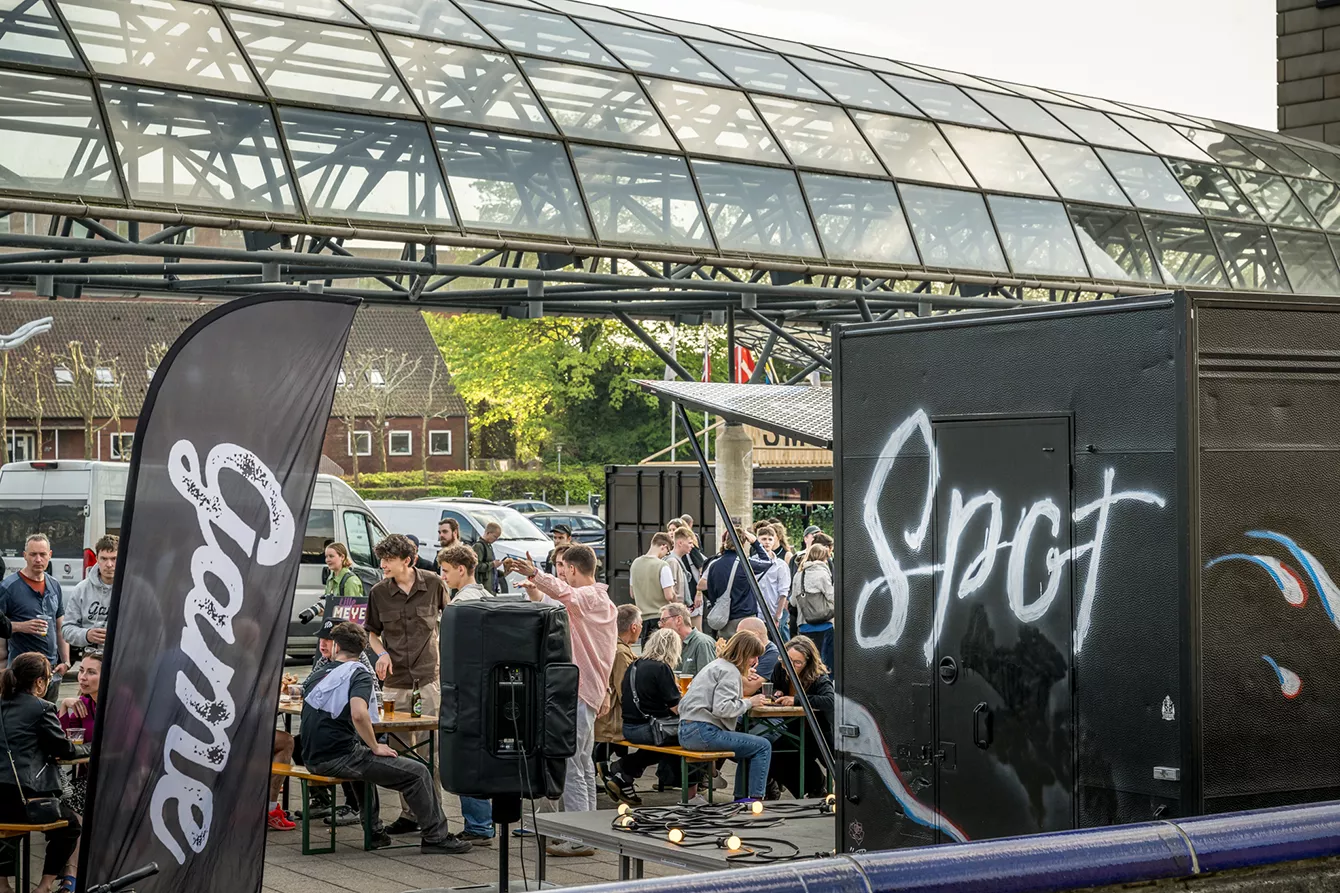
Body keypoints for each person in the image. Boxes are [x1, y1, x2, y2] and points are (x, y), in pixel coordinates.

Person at [301, 622, 470, 855]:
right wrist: (375, 746)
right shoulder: (358, 672)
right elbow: (359, 713)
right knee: (418, 772)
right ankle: (436, 837)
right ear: (363, 649)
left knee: (363, 767)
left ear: (336, 646)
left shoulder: (319, 672)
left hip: (312, 757)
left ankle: (375, 833)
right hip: (338, 756)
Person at [506, 545, 616, 858]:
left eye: (563, 568)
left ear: (572, 568)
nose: (561, 573)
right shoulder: (600, 600)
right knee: (581, 762)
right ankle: (589, 833)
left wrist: (534, 574)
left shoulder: (590, 597)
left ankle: (580, 837)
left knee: (572, 763)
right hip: (587, 691)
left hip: (579, 691)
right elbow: (558, 604)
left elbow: (567, 596)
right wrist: (535, 587)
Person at [367, 534, 450, 836]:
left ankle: (435, 816)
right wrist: (382, 654)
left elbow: (450, 620)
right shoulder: (378, 592)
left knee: (432, 753)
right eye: (382, 559)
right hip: (395, 682)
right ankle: (409, 813)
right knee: (400, 753)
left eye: (389, 559)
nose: (383, 564)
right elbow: (371, 633)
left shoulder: (434, 584)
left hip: (428, 679)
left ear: (408, 560)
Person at [0, 653, 87, 893]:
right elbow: (64, 749)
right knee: (70, 826)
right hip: (22, 802)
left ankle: (3, 884)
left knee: (8, 829)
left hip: (2, 802)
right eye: (48, 678)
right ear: (39, 682)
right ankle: (44, 886)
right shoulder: (41, 708)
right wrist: (91, 747)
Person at [604, 628, 705, 805]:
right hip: (649, 728)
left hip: (629, 727)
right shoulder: (661, 668)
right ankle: (693, 792)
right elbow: (677, 708)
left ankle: (624, 772)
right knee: (693, 737)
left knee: (662, 746)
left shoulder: (635, 665)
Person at [438, 544, 495, 846]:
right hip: (486, 689)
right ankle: (483, 823)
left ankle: (478, 825)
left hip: (466, 689)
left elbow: (453, 651)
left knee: (466, 757)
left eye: (446, 571)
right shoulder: (487, 596)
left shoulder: (462, 604)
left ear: (462, 569)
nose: (443, 576)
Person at [678, 632, 771, 801]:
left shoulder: (716, 665)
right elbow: (722, 709)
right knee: (763, 746)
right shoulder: (729, 671)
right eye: (753, 656)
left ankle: (741, 799)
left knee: (749, 747)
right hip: (704, 732)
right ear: (744, 654)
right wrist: (750, 702)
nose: (756, 661)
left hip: (686, 731)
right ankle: (754, 800)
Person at [0, 535, 68, 704]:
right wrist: (22, 626)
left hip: (51, 672)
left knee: (48, 715)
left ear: (50, 555)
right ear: (24, 555)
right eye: (33, 554)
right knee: (23, 717)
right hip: (22, 673)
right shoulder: (8, 587)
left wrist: (66, 661)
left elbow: (60, 626)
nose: (38, 559)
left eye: (42, 554)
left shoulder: (54, 585)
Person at [765, 637, 835, 800]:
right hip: (793, 727)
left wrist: (797, 700)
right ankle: (806, 790)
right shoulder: (780, 668)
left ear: (807, 663)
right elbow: (773, 685)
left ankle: (818, 787)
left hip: (817, 732)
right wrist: (776, 692)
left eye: (797, 663)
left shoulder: (818, 677)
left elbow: (830, 701)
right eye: (787, 660)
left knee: (794, 752)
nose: (790, 666)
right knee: (772, 751)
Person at [594, 604, 640, 793]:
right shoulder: (621, 653)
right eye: (641, 624)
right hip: (613, 719)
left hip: (604, 716)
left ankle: (610, 773)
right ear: (634, 627)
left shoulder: (610, 645)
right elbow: (624, 690)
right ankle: (619, 775)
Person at [700, 528, 772, 638]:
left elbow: (710, 591)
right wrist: (755, 543)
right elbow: (767, 561)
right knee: (747, 646)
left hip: (724, 618)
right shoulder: (745, 564)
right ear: (743, 543)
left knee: (728, 648)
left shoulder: (714, 565)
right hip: (745, 615)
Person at [57, 652, 101, 816]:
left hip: (115, 778)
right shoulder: (84, 703)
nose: (82, 677)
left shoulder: (121, 703)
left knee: (66, 800)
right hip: (88, 776)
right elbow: (61, 741)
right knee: (58, 798)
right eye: (81, 670)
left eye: (91, 672)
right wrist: (64, 706)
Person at [63, 535, 115, 656]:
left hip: (124, 655)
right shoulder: (81, 589)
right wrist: (87, 635)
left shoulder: (133, 589)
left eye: (114, 559)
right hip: (92, 653)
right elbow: (67, 630)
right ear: (96, 559)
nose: (109, 564)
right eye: (104, 558)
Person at [790, 544, 835, 671]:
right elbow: (832, 596)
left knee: (809, 661)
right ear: (824, 558)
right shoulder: (822, 573)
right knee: (826, 662)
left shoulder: (799, 575)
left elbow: (793, 602)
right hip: (824, 623)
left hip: (804, 624)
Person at [629, 533, 675, 644]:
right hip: (661, 617)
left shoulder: (635, 563)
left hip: (642, 619)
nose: (665, 555)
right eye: (667, 551)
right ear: (663, 546)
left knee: (647, 651)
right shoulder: (662, 565)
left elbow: (632, 594)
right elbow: (669, 595)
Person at [754, 525, 792, 640]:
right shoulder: (751, 561)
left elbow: (783, 592)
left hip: (773, 613)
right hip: (755, 613)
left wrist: (777, 616)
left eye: (770, 539)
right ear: (758, 540)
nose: (767, 542)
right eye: (763, 539)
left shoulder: (781, 565)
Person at [658, 603, 716, 677]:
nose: (660, 625)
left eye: (663, 620)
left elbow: (707, 678)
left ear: (678, 620)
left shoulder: (702, 643)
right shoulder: (669, 645)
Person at [321, 543, 367, 626]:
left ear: (342, 557)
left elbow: (353, 612)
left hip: (346, 628)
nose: (327, 560)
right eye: (326, 557)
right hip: (332, 624)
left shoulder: (350, 581)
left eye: (331, 556)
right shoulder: (330, 578)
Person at [473, 522, 504, 592]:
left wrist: (504, 572)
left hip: (490, 589)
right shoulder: (479, 546)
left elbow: (490, 571)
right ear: (488, 533)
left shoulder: (489, 546)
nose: (495, 539)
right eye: (494, 536)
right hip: (483, 589)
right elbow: (476, 566)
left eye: (497, 538)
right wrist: (493, 564)